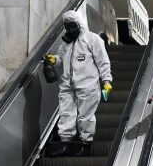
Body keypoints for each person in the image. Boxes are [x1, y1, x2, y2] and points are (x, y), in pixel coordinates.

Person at [45, 10, 112, 157]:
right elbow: (62, 59)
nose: (70, 29)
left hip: (88, 86)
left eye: (72, 25)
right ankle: (65, 144)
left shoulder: (92, 39)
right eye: (67, 27)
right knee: (66, 114)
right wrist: (55, 60)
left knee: (85, 117)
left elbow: (103, 61)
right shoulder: (66, 43)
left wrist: (106, 80)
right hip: (67, 86)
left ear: (79, 24)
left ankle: (85, 145)